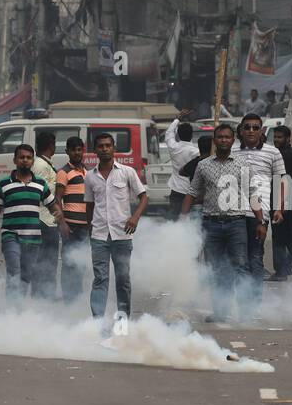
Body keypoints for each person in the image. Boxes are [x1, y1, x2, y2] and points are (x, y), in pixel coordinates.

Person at [183, 123, 263, 322]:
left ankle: (246, 312)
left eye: (227, 137)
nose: (224, 140)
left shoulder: (243, 165)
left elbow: (253, 194)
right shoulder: (203, 165)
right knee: (216, 269)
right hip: (211, 224)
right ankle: (220, 311)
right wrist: (182, 220)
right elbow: (192, 193)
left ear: (233, 140)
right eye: (220, 137)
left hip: (236, 223)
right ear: (215, 140)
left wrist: (261, 221)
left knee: (241, 267)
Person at [0, 144, 59, 303]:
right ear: (15, 160)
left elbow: (53, 206)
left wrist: (60, 217)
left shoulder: (41, 184)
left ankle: (20, 311)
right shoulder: (3, 184)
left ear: (32, 161)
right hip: (11, 236)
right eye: (21, 157)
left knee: (25, 276)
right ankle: (12, 310)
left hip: (33, 238)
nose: (25, 160)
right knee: (14, 272)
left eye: (29, 158)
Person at [85, 131, 149, 322]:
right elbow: (89, 205)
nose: (104, 149)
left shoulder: (127, 172)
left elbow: (143, 197)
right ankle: (97, 324)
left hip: (122, 236)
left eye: (108, 145)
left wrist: (135, 218)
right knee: (100, 280)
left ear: (113, 148)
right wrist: (91, 230)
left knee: (122, 281)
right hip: (99, 237)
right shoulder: (90, 176)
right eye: (100, 146)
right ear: (95, 150)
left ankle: (122, 325)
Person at [235, 114, 286, 289]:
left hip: (260, 214)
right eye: (247, 127)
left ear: (261, 130)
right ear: (241, 130)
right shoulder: (231, 151)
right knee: (236, 257)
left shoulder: (273, 152)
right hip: (234, 212)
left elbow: (281, 181)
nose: (251, 131)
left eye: (255, 127)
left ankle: (253, 299)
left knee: (255, 255)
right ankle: (236, 297)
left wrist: (279, 209)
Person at [54, 136, 93, 303]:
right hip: (71, 226)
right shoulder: (63, 172)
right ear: (67, 152)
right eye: (73, 150)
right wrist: (62, 223)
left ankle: (77, 297)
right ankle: (69, 299)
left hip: (86, 226)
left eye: (79, 149)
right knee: (70, 263)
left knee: (81, 262)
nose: (77, 153)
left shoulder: (88, 172)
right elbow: (57, 200)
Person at [31, 131, 67, 299]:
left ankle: (46, 294)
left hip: (49, 220)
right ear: (51, 146)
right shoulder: (40, 166)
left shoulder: (44, 164)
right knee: (44, 261)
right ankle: (42, 295)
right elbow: (40, 193)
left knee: (50, 262)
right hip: (44, 220)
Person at [270, 125, 292, 281]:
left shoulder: (286, 156)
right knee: (286, 238)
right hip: (286, 202)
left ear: (287, 138)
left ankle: (284, 271)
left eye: (280, 137)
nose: (277, 140)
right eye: (275, 137)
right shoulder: (288, 155)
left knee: (282, 238)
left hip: (284, 203)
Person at [164, 113, 200, 219]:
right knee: (191, 221)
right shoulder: (196, 152)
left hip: (176, 190)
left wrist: (177, 119)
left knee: (175, 220)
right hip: (192, 191)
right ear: (191, 135)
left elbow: (169, 133)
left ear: (178, 135)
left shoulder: (173, 147)